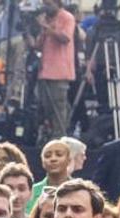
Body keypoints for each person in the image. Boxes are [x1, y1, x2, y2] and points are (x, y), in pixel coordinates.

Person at [35, 0, 75, 141]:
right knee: (47, 106)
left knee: (59, 105)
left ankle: (60, 136)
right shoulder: (46, 19)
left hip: (60, 70)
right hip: (45, 70)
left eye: (49, 3)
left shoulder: (67, 17)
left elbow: (65, 38)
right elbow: (39, 45)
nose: (46, 7)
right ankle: (53, 132)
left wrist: (47, 27)